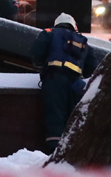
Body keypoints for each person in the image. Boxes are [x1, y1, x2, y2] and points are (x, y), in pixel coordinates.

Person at [30, 12, 96, 154]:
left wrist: (44, 66)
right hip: (76, 84)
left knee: (55, 115)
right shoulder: (82, 40)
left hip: (55, 79)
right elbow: (93, 66)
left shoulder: (49, 33)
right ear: (74, 26)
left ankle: (55, 152)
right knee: (73, 118)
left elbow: (36, 54)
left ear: (56, 24)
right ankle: (74, 151)